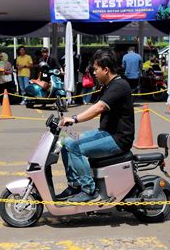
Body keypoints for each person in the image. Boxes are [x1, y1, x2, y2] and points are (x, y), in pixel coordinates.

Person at [57, 50, 135, 203]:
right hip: (105, 133)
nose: (93, 73)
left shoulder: (119, 86)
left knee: (75, 147)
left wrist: (73, 119)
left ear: (106, 69)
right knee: (65, 139)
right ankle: (75, 185)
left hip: (117, 139)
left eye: (95, 69)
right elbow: (93, 106)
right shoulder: (107, 85)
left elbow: (98, 108)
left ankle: (89, 190)